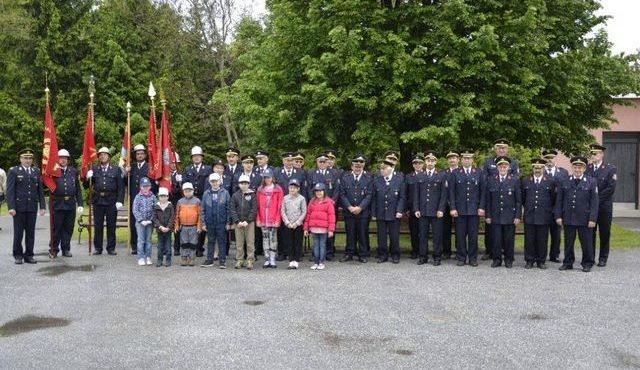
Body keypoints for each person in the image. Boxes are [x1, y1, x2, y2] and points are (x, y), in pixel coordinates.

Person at [555, 156, 598, 272]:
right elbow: (559, 200)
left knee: (586, 242)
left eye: (580, 167)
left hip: (585, 218)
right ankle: (568, 262)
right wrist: (558, 216)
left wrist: (592, 218)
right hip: (568, 217)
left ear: (584, 168)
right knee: (568, 242)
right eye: (575, 167)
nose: (577, 169)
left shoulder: (591, 182)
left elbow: (594, 202)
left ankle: (587, 263)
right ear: (572, 167)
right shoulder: (564, 181)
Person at [481, 139, 519, 261]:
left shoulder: (513, 162)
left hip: (508, 205)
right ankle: (490, 252)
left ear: (507, 149)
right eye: (499, 148)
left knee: (508, 236)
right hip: (494, 201)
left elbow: (515, 182)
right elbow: (485, 180)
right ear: (495, 149)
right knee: (492, 233)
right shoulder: (488, 162)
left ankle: (507, 256)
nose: (501, 150)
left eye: (504, 148)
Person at [6, 149, 46, 264]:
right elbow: (10, 191)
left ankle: (29, 255)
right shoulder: (13, 171)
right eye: (25, 158)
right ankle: (18, 255)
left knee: (30, 233)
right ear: (21, 159)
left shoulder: (35, 171)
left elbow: (40, 191)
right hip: (18, 208)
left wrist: (42, 206)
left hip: (32, 208)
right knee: (18, 233)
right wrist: (11, 207)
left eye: (30, 158)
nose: (28, 160)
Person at [85, 147, 124, 255]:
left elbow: (121, 187)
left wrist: (120, 200)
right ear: (98, 157)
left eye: (105, 154)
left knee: (111, 226)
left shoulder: (116, 169)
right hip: (98, 201)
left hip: (111, 201)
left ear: (109, 157)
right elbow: (86, 186)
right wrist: (87, 178)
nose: (103, 156)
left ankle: (111, 248)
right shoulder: (94, 169)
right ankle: (98, 248)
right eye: (100, 155)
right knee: (98, 226)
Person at [449, 150, 485, 267]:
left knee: (473, 236)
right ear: (461, 160)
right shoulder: (455, 173)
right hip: (460, 210)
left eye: (469, 158)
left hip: (474, 210)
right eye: (465, 158)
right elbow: (452, 192)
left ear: (472, 160)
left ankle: (473, 258)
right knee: (460, 235)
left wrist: (481, 207)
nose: (467, 160)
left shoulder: (479, 172)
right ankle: (461, 257)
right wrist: (453, 208)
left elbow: (482, 192)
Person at [485, 156, 521, 268]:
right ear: (497, 167)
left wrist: (517, 216)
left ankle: (509, 260)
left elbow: (518, 201)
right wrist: (488, 215)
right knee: (496, 240)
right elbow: (488, 200)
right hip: (495, 215)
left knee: (509, 240)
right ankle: (497, 260)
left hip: (510, 215)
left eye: (505, 166)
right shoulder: (491, 180)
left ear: (509, 167)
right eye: (500, 166)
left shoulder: (514, 180)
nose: (503, 167)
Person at [414, 150, 448, 266]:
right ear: (425, 162)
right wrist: (416, 209)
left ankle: (437, 257)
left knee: (437, 235)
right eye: (428, 160)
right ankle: (423, 256)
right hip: (423, 211)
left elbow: (444, 195)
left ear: (436, 162)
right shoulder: (420, 176)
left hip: (436, 211)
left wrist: (441, 209)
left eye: (432, 161)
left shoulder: (442, 175)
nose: (430, 162)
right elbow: (416, 194)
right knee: (422, 235)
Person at [586, 143, 617, 267]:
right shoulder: (587, 168)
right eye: (592, 153)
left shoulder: (610, 169)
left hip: (604, 207)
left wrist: (596, 200)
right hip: (589, 207)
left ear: (602, 154)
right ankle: (590, 257)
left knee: (604, 233)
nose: (594, 156)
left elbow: (610, 188)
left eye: (596, 153)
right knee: (590, 233)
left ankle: (603, 257)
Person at [49, 149, 83, 258]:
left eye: (65, 158)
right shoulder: (52, 171)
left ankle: (66, 249)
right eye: (61, 158)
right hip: (57, 203)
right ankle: (54, 249)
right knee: (56, 228)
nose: (63, 160)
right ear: (57, 159)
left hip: (70, 204)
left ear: (68, 160)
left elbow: (77, 188)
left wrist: (81, 203)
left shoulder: (73, 171)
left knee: (68, 228)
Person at [522, 158, 555, 269]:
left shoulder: (550, 181)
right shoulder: (526, 181)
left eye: (540, 167)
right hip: (530, 214)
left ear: (544, 168)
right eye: (535, 167)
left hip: (544, 215)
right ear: (532, 168)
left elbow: (553, 198)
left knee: (542, 239)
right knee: (529, 239)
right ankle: (529, 260)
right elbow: (523, 198)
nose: (537, 169)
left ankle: (541, 261)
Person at [339, 154, 373, 263]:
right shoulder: (345, 178)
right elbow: (342, 194)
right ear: (352, 166)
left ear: (363, 167)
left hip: (362, 212)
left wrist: (360, 207)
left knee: (362, 233)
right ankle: (349, 253)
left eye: (360, 166)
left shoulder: (368, 178)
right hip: (349, 211)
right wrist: (349, 207)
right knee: (350, 233)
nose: (357, 168)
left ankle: (362, 254)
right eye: (355, 166)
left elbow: (369, 195)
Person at [307, 153, 340, 260]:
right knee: (316, 231)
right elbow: (309, 189)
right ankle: (315, 254)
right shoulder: (312, 173)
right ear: (317, 162)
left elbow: (336, 190)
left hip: (329, 207)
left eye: (324, 161)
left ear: (327, 162)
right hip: (316, 207)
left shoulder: (334, 173)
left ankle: (329, 253)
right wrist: (313, 201)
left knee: (329, 230)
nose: (322, 163)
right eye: (320, 161)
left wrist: (332, 202)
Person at [275, 151, 307, 261]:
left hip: (297, 205)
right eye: (287, 160)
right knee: (282, 231)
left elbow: (303, 189)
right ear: (283, 161)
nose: (289, 162)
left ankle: (297, 253)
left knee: (297, 232)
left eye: (291, 160)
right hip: (282, 204)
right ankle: (283, 252)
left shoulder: (300, 172)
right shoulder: (277, 172)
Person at [372, 159, 405, 264]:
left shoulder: (399, 180)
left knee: (394, 235)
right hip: (380, 212)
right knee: (381, 236)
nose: (382, 170)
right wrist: (373, 213)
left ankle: (395, 255)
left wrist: (399, 210)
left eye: (384, 168)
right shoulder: (377, 180)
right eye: (381, 168)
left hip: (394, 212)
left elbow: (402, 197)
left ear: (391, 168)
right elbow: (374, 198)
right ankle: (383, 255)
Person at [182, 146, 212, 257]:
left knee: (202, 222)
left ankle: (200, 247)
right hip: (190, 199)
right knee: (192, 223)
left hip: (203, 197)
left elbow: (209, 184)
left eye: (198, 156)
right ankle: (191, 246)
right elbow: (184, 183)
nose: (196, 158)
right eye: (194, 156)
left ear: (202, 157)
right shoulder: (188, 169)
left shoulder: (208, 169)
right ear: (192, 158)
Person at [122, 144, 152, 254]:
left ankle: (145, 246)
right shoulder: (131, 167)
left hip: (147, 200)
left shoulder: (150, 167)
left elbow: (153, 183)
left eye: (141, 153)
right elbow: (125, 184)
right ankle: (135, 246)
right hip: (134, 199)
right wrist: (126, 173)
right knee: (134, 222)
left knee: (146, 222)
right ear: (135, 155)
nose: (139, 155)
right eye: (138, 154)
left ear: (145, 154)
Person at [541, 149, 569, 263]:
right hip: (543, 209)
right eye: (547, 158)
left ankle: (555, 255)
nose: (549, 160)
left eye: (551, 158)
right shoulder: (540, 171)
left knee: (556, 234)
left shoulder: (563, 173)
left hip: (557, 208)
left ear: (555, 159)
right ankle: (541, 254)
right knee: (542, 234)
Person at [200, 173, 231, 268]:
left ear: (220, 182)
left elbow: (228, 208)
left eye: (216, 181)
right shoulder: (206, 193)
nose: (214, 183)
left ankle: (222, 260)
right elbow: (203, 209)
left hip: (221, 222)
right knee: (210, 241)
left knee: (222, 241)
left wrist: (228, 222)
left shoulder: (225, 193)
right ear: (210, 182)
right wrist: (203, 223)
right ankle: (210, 260)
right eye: (212, 181)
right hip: (210, 222)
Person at [304, 182, 336, 270]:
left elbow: (331, 216)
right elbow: (308, 215)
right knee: (315, 245)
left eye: (320, 191)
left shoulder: (328, 202)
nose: (318, 193)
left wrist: (331, 230)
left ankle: (321, 262)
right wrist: (306, 228)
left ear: (324, 191)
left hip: (324, 229)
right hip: (314, 228)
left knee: (322, 245)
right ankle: (315, 262)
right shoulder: (312, 201)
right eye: (317, 191)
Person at [256, 168, 284, 268]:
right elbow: (257, 206)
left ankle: (272, 259)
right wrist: (258, 218)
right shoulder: (260, 189)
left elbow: (280, 206)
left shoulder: (278, 189)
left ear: (272, 178)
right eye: (265, 177)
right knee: (265, 239)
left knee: (273, 239)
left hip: (273, 219)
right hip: (263, 219)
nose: (267, 179)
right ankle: (267, 258)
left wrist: (277, 219)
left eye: (269, 177)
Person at [229, 174, 257, 270]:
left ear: (248, 184)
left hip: (249, 223)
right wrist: (237, 221)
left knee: (250, 242)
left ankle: (250, 260)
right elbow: (232, 209)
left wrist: (248, 220)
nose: (243, 185)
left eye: (245, 183)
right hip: (238, 224)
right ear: (239, 184)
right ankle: (240, 259)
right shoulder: (235, 195)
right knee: (239, 243)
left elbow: (254, 209)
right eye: (241, 183)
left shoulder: (252, 194)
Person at [280, 178, 307, 269]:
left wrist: (297, 222)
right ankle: (291, 260)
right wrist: (287, 222)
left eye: (294, 188)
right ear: (288, 188)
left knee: (297, 242)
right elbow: (283, 211)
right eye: (291, 187)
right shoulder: (285, 198)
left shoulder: (302, 199)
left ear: (298, 189)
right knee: (289, 242)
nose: (292, 189)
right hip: (288, 224)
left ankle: (296, 260)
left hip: (298, 225)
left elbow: (304, 212)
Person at [175, 182, 202, 266]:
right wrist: (177, 225)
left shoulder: (197, 201)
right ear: (183, 192)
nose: (188, 193)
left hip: (193, 226)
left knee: (193, 243)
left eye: (189, 191)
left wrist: (199, 226)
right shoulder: (180, 201)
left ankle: (191, 258)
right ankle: (184, 258)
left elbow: (200, 215)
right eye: (186, 191)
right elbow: (177, 215)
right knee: (184, 242)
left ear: (193, 191)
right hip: (183, 226)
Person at [405, 153, 425, 259]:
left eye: (420, 163)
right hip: (412, 209)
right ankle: (415, 251)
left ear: (423, 164)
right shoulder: (408, 177)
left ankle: (423, 251)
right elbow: (406, 194)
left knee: (423, 232)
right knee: (414, 232)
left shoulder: (427, 175)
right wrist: (407, 208)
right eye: (415, 163)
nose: (417, 165)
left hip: (425, 208)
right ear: (413, 165)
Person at [133, 177, 156, 266]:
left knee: (148, 240)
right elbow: (135, 209)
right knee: (141, 240)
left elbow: (155, 209)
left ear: (150, 187)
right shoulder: (138, 197)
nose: (146, 188)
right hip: (140, 223)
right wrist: (141, 220)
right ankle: (141, 257)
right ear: (140, 187)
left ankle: (148, 256)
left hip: (149, 222)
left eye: (147, 186)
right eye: (144, 186)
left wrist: (151, 220)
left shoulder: (153, 196)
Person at [442, 150, 460, 260]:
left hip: (458, 205)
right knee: (445, 229)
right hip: (445, 205)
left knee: (459, 230)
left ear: (458, 159)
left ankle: (459, 250)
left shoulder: (462, 172)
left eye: (454, 158)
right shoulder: (444, 173)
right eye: (450, 158)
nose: (452, 160)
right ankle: (446, 251)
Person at [153, 187, 175, 267]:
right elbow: (155, 218)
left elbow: (172, 218)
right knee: (160, 246)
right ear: (158, 197)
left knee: (168, 246)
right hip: (160, 230)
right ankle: (159, 260)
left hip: (168, 230)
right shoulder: (156, 207)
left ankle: (168, 260)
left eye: (164, 196)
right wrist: (160, 227)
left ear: (167, 197)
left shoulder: (170, 206)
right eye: (161, 196)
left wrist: (168, 227)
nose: (163, 198)